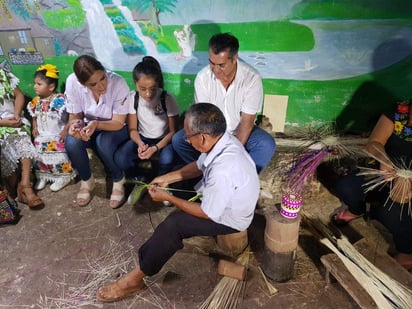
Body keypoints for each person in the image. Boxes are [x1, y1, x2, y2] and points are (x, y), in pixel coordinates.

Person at [96, 103, 260, 302]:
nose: (186, 140)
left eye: (188, 136)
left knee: (174, 225)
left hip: (230, 217)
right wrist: (168, 178)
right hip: (223, 197)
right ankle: (151, 253)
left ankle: (134, 281)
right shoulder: (223, 141)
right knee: (177, 171)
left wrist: (168, 198)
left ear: (202, 137)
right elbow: (198, 166)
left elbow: (208, 213)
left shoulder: (223, 170)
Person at [172, 32, 276, 174]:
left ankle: (241, 179)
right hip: (212, 133)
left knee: (266, 144)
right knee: (179, 140)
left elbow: (246, 122)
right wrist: (214, 151)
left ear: (234, 59)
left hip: (239, 130)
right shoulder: (203, 78)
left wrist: (229, 156)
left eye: (221, 65)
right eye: (211, 63)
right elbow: (203, 122)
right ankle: (206, 174)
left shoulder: (251, 78)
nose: (215, 70)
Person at [332, 100, 412, 270]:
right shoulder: (398, 112)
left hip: (408, 185)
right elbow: (374, 143)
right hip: (385, 171)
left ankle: (406, 251)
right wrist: (383, 160)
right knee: (346, 187)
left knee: (391, 214)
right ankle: (356, 209)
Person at [64, 55, 130, 208]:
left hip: (115, 128)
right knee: (72, 142)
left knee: (103, 142)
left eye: (103, 78)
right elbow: (75, 116)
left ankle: (118, 179)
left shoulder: (118, 83)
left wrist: (96, 124)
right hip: (90, 126)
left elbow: (119, 123)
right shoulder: (72, 82)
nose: (102, 86)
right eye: (93, 84)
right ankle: (87, 181)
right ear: (83, 84)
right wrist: (75, 126)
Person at [114, 56, 180, 179]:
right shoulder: (133, 98)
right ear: (135, 84)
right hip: (143, 139)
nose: (148, 94)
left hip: (164, 141)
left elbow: (173, 132)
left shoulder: (167, 98)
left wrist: (155, 148)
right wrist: (140, 143)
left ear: (158, 84)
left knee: (167, 159)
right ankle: (139, 180)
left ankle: (160, 184)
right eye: (143, 89)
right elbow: (133, 130)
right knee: (121, 157)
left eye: (152, 89)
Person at [0, 63, 43, 208]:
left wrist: (17, 114)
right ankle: (14, 187)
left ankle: (25, 184)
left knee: (21, 133)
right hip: (1, 123)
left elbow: (19, 96)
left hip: (12, 118)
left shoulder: (3, 74)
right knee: (4, 146)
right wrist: (2, 123)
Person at [27, 64, 76, 192]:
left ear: (51, 86)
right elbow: (34, 115)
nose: (35, 86)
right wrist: (34, 126)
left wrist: (65, 130)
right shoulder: (35, 101)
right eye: (35, 83)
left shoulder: (59, 100)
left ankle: (63, 176)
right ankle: (44, 175)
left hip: (56, 135)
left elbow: (70, 115)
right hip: (42, 136)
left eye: (39, 84)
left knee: (59, 158)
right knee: (40, 157)